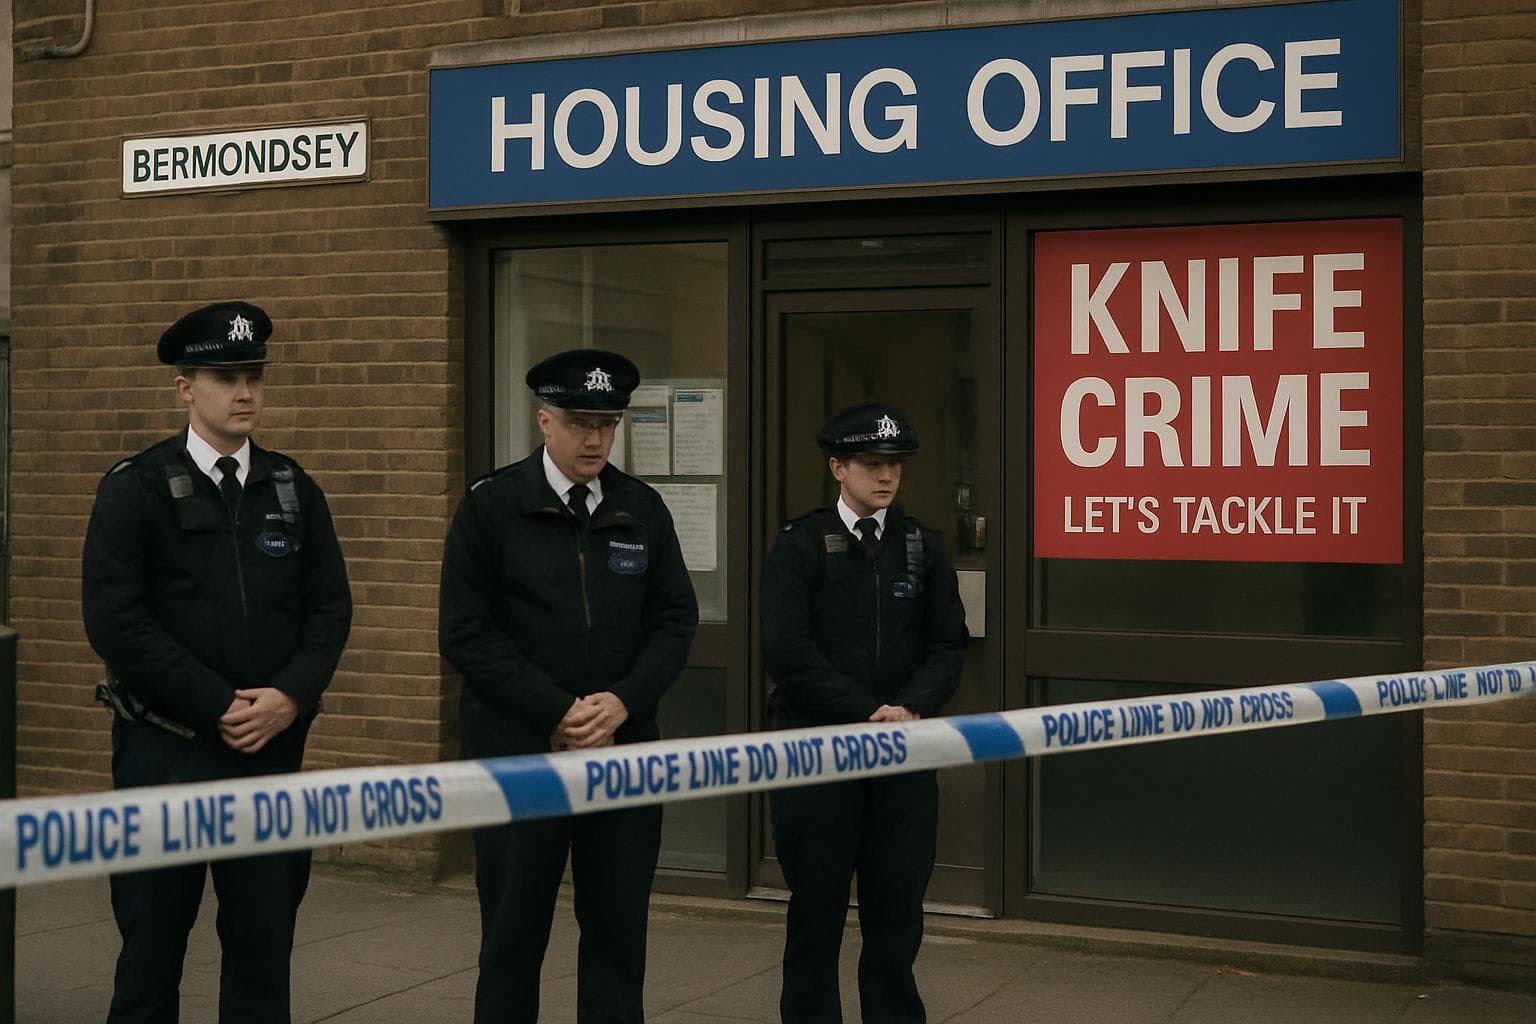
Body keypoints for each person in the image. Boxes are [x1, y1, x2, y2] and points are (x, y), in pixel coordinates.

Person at [81, 301, 353, 1024]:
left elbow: (330, 609)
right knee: (151, 950)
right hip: (165, 754)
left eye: (254, 377)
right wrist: (218, 704)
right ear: (185, 387)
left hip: (267, 756)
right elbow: (117, 622)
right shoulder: (134, 489)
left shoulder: (293, 488)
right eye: (226, 377)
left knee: (263, 952)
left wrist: (291, 697)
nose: (246, 393)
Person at [438, 348, 699, 1024]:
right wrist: (557, 710)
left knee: (618, 936)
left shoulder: (641, 508)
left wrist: (622, 702)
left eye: (608, 424)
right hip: (519, 753)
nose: (595, 440)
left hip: (621, 751)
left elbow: (674, 621)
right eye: (582, 423)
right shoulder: (491, 507)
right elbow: (467, 634)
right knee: (512, 935)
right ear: (544, 421)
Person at [760, 400, 967, 1024]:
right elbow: (788, 651)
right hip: (818, 751)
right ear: (838, 467)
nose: (886, 477)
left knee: (897, 906)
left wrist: (910, 708)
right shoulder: (799, 547)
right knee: (816, 905)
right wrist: (867, 709)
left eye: (894, 465)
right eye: (872, 464)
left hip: (902, 752)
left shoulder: (919, 546)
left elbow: (946, 643)